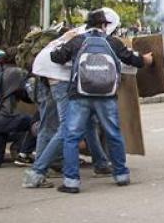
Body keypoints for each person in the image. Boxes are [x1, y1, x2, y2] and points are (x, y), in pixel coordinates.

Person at [48, 8, 152, 193]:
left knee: (71, 137)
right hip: (106, 95)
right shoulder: (112, 42)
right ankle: (121, 175)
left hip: (80, 94)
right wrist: (145, 59)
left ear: (88, 25)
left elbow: (56, 57)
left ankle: (71, 182)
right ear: (104, 25)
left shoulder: (77, 41)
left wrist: (63, 40)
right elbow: (133, 59)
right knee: (114, 133)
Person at [23, 26, 111, 188]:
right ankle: (37, 171)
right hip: (59, 79)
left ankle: (100, 163)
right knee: (65, 127)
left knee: (83, 122)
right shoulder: (92, 39)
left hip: (46, 76)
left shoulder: (77, 33)